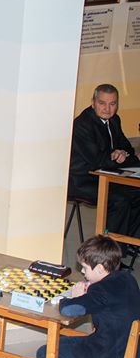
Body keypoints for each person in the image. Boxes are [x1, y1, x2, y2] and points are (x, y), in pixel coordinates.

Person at [16, 235, 140, 358]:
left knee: (47, 352)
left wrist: (75, 297)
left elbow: (71, 310)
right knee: (62, 341)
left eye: (85, 268)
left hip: (110, 356)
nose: (82, 272)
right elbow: (108, 300)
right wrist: (91, 291)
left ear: (100, 269)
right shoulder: (127, 278)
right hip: (132, 353)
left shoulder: (101, 291)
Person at [68, 84, 140, 242]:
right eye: (102, 103)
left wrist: (122, 153)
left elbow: (127, 148)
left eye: (112, 104)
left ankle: (130, 243)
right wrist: (117, 157)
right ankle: (110, 249)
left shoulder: (114, 119)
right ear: (93, 102)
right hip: (83, 180)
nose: (107, 109)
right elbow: (97, 161)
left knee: (137, 192)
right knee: (120, 200)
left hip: (107, 175)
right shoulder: (82, 125)